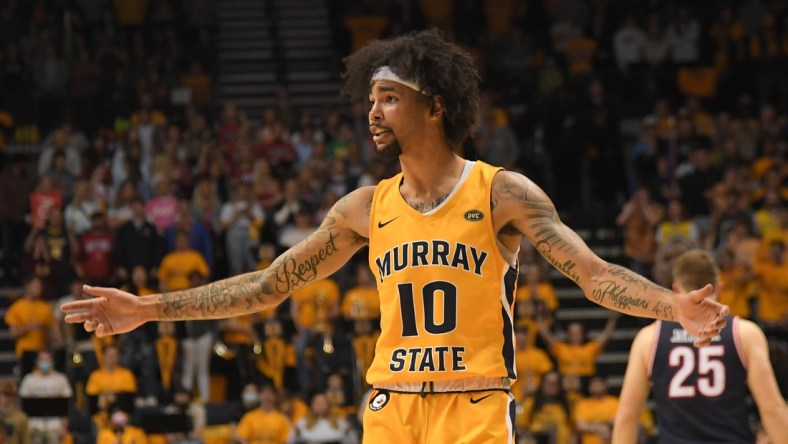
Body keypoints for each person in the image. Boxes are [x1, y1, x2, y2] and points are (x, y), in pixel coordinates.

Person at [63, 30, 729, 443]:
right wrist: (147, 309)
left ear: (433, 105)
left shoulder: (501, 192)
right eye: (371, 98)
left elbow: (591, 274)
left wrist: (673, 306)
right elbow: (269, 286)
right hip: (390, 409)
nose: (372, 111)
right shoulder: (362, 208)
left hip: (474, 408)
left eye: (388, 97)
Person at [612, 250, 788, 443]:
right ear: (719, 286)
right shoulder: (744, 332)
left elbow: (628, 415)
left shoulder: (649, 338)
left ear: (676, 288)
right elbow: (771, 409)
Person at [18, 350, 73, 444]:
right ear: (37, 361)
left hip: (55, 426)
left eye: (47, 359)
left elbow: (66, 406)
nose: (44, 362)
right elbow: (23, 406)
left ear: (52, 361)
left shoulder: (61, 379)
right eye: (42, 359)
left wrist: (64, 427)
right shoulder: (29, 379)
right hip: (33, 426)